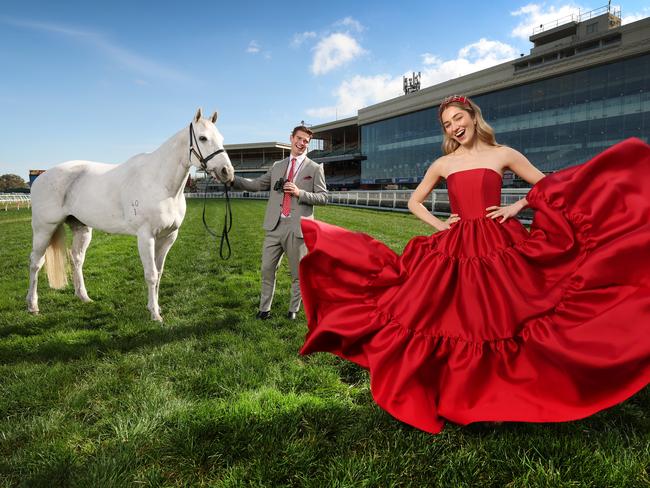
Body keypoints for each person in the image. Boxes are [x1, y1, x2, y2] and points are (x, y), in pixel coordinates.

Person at [298, 95, 650, 434]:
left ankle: (498, 399)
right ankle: (463, 395)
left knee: (501, 316)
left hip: (500, 243)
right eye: (447, 124)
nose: (454, 127)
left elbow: (548, 186)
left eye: (458, 119)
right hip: (456, 245)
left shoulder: (503, 154)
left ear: (473, 117)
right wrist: (442, 226)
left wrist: (517, 207)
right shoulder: (443, 163)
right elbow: (414, 202)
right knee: (458, 317)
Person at [229, 125, 327, 320]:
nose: (301, 143)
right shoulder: (277, 166)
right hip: (274, 227)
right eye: (299, 138)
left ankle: (293, 310)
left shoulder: (314, 168)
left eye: (305, 141)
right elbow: (256, 185)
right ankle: (264, 310)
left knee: (297, 274)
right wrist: (232, 179)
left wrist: (300, 193)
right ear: (291, 138)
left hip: (298, 229)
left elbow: (323, 197)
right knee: (267, 269)